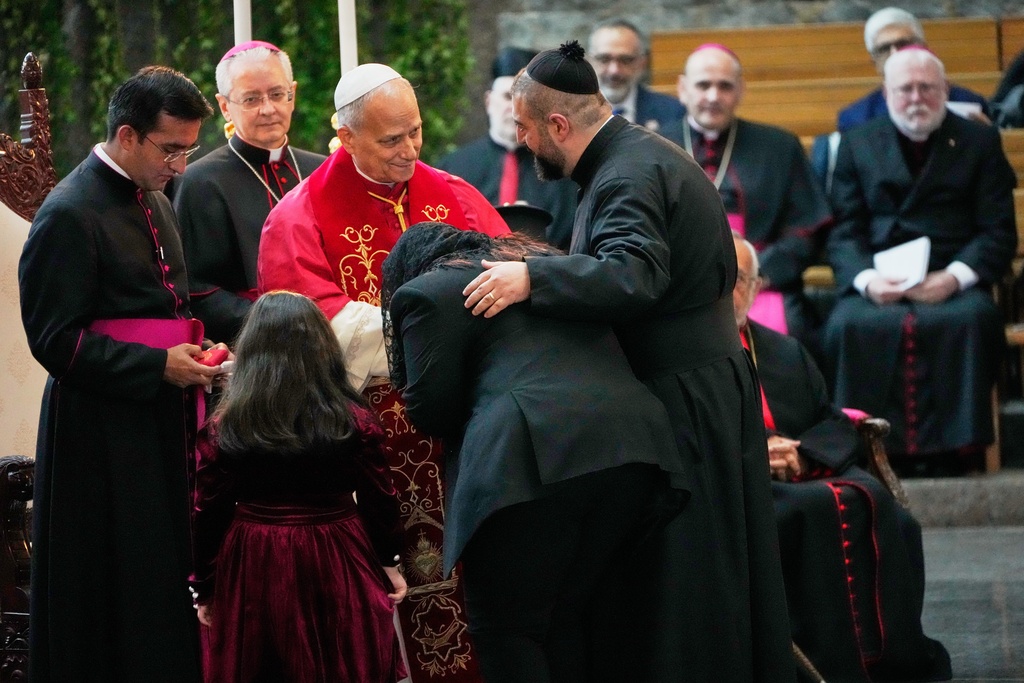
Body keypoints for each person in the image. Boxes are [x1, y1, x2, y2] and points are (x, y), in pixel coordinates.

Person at [463, 41, 794, 682]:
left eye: (529, 132)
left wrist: (531, 280)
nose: (527, 147)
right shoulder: (640, 155)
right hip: (701, 384)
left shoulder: (626, 174)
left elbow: (632, 275)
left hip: (682, 397)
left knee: (685, 578)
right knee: (713, 571)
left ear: (559, 125)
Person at [257, 63, 508, 682]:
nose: (410, 150)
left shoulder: (456, 194)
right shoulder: (298, 215)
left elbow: (509, 276)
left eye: (415, 132)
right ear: (343, 135)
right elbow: (311, 325)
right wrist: (434, 330)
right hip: (376, 441)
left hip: (474, 430)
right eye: (390, 140)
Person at [381, 222, 684, 683]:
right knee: (565, 616)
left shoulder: (427, 293)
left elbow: (431, 410)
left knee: (507, 628)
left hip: (529, 460)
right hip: (633, 445)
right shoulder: (543, 265)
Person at [19, 66, 221, 681]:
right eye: (171, 150)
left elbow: (165, 301)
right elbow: (54, 341)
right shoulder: (69, 212)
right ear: (128, 135)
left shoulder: (154, 197)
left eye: (189, 150)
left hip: (159, 417)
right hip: (100, 433)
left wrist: (199, 347)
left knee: (159, 573)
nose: (181, 167)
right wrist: (157, 364)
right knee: (114, 580)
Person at [733, 233, 952, 682]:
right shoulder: (693, 351)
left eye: (740, 279)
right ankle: (831, 665)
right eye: (722, 277)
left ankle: (893, 658)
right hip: (743, 479)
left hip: (803, 471)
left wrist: (805, 455)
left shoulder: (785, 350)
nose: (730, 290)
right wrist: (757, 452)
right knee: (816, 511)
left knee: (889, 512)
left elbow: (830, 417)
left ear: (757, 287)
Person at [190, 291, 407, 682]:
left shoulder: (226, 429)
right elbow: (381, 498)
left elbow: (206, 511)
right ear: (322, 348)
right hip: (339, 549)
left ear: (253, 350)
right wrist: (388, 562)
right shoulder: (354, 421)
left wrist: (206, 587)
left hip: (255, 557)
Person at [825, 47, 1016, 472]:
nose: (916, 98)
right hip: (881, 281)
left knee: (970, 320)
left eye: (927, 87)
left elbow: (998, 229)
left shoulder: (979, 142)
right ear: (887, 93)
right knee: (847, 324)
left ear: (945, 90)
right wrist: (868, 281)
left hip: (952, 278)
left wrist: (953, 278)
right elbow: (844, 231)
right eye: (905, 88)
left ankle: (958, 452)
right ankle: (864, 451)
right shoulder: (858, 143)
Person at [662, 43, 832, 345]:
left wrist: (758, 273)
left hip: (760, 281)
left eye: (725, 86)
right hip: (677, 282)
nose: (713, 96)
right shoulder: (655, 145)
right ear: (682, 88)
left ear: (740, 90)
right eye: (703, 85)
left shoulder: (779, 147)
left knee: (795, 330)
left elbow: (806, 227)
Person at [169, 41, 326, 344]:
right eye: (251, 99)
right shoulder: (199, 182)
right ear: (225, 106)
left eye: (277, 95)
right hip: (253, 348)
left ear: (292, 95)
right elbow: (195, 289)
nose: (268, 109)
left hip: (332, 335)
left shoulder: (322, 172)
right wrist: (276, 322)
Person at [438, 47, 578, 249]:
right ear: (488, 101)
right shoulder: (451, 168)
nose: (515, 109)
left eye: (525, 99)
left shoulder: (563, 171)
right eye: (506, 97)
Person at [837, 7, 991, 133]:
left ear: (923, 48)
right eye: (884, 49)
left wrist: (987, 136)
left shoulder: (969, 102)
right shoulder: (856, 119)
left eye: (903, 44)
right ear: (874, 62)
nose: (895, 54)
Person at [586, 18, 684, 133]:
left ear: (642, 63)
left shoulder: (671, 112)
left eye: (625, 60)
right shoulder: (572, 113)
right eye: (604, 59)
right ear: (589, 61)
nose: (614, 71)